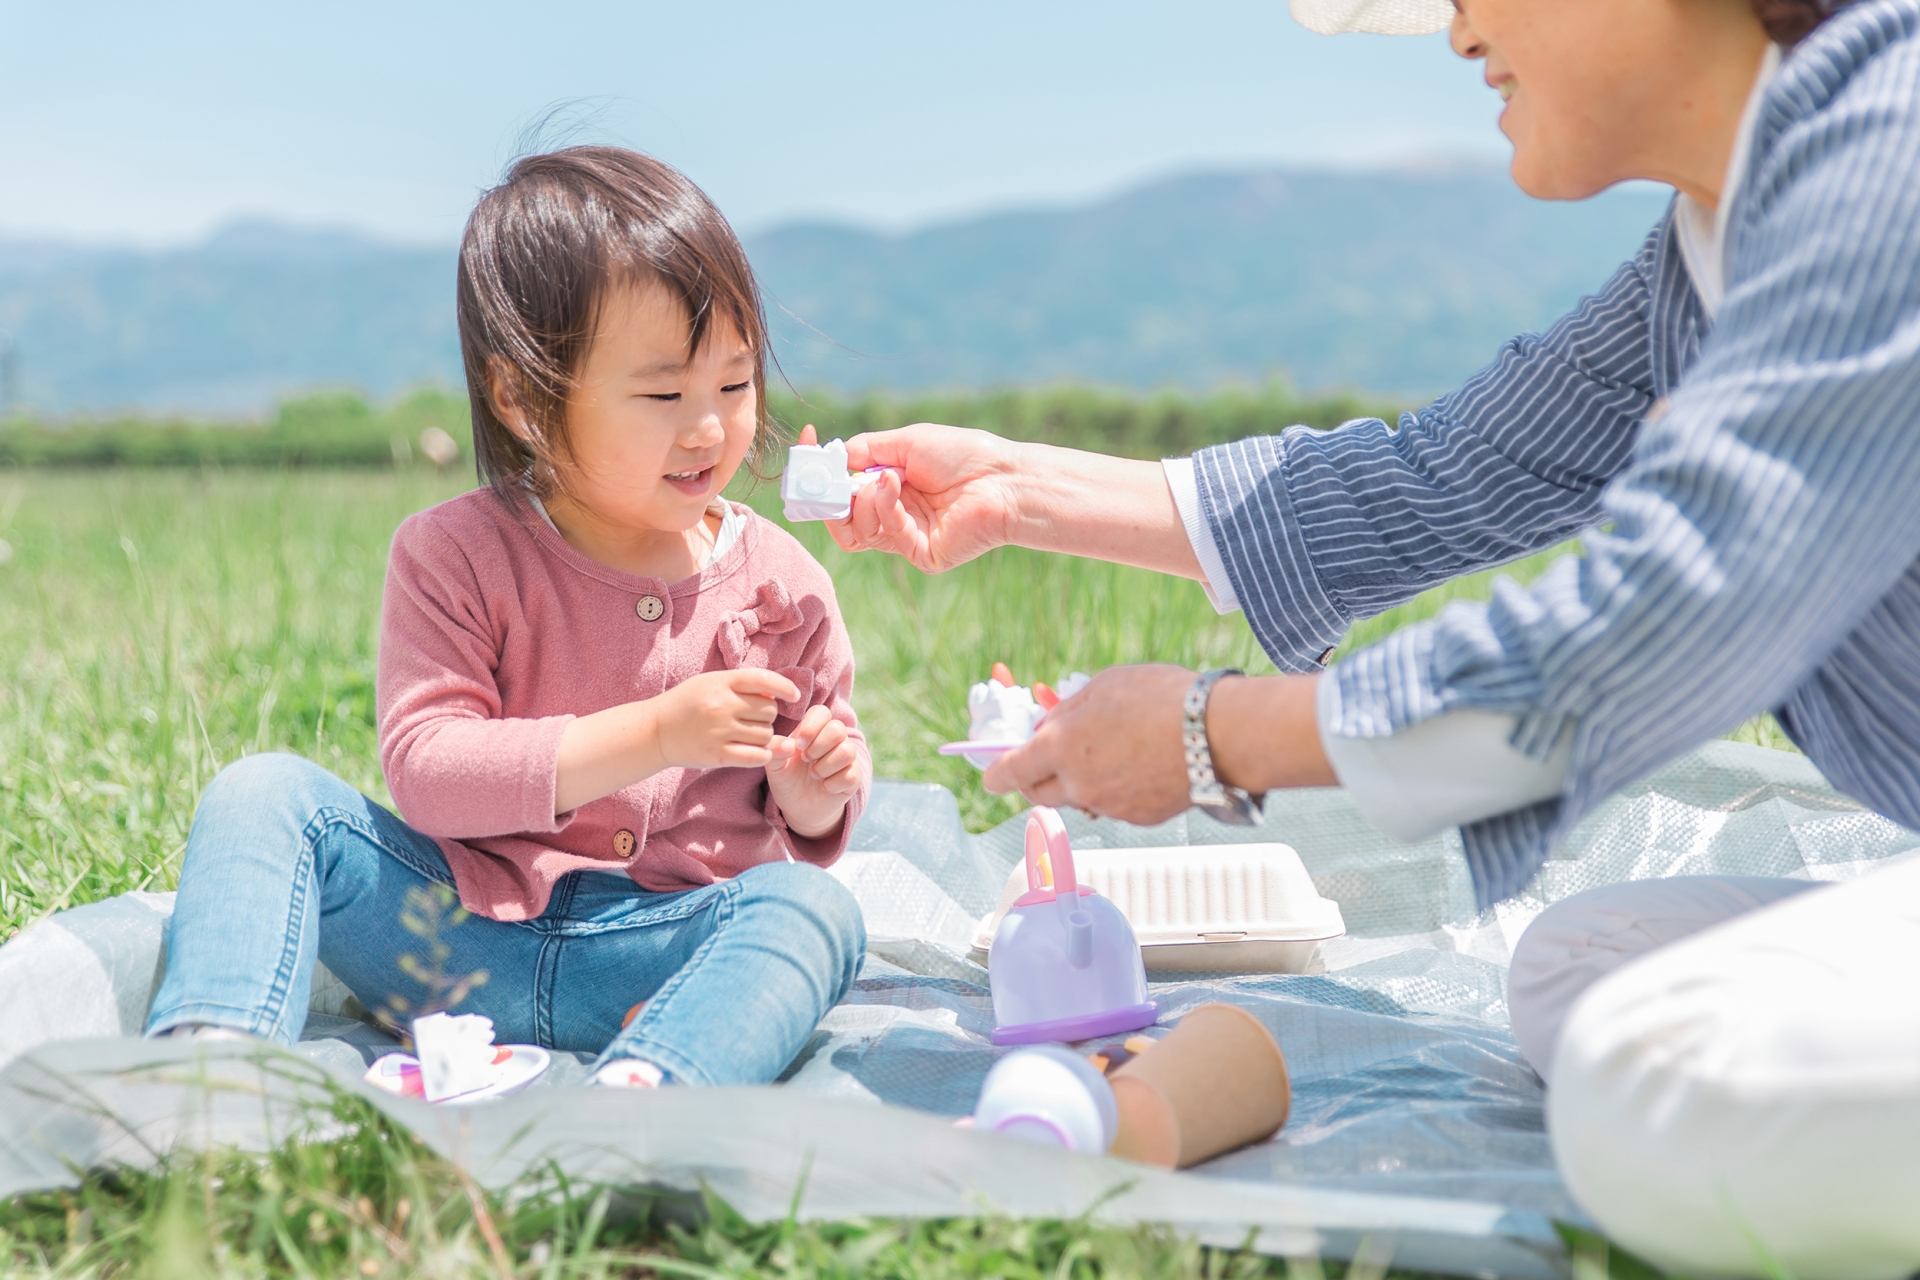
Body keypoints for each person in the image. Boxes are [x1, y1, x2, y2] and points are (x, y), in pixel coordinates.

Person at [825, 0, 1920, 1271]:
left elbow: (1649, 629)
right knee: (1580, 970)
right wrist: (1013, 488)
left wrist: (1214, 732)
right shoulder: (1709, 249)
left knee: (1649, 1088)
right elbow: (1438, 479)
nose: (1457, 35)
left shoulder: (1885, 170)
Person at [146, 147, 869, 1090]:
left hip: (662, 957)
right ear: (522, 398)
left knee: (812, 910)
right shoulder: (453, 552)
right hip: (452, 940)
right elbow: (430, 773)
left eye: (734, 386)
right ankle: (214, 1074)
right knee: (263, 794)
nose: (708, 427)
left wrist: (814, 792)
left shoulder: (783, 582)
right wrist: (657, 733)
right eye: (663, 393)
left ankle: (648, 1095)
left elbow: (821, 791)